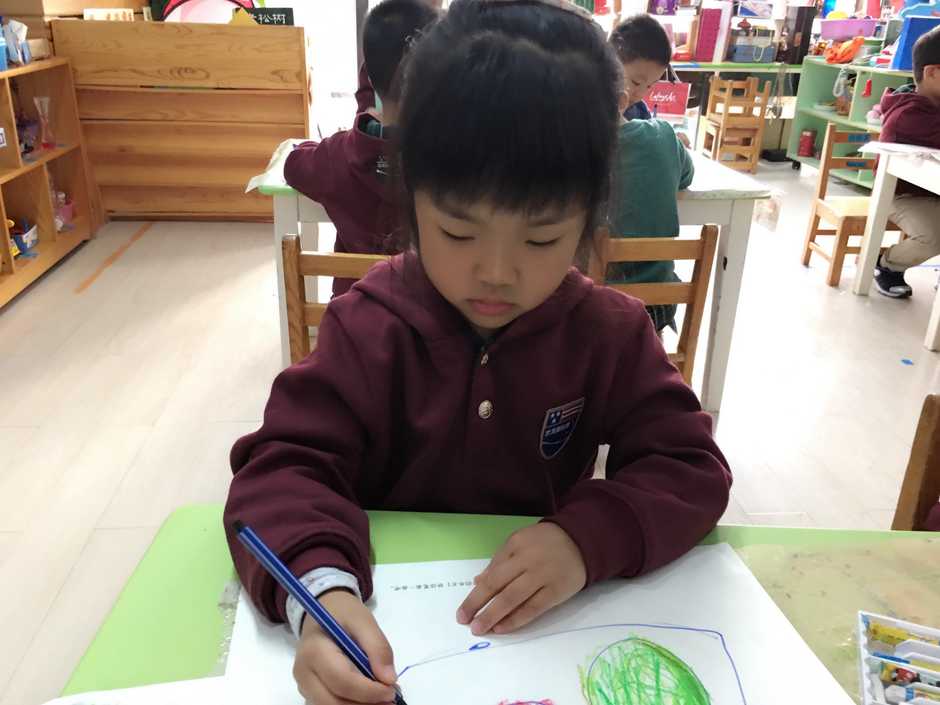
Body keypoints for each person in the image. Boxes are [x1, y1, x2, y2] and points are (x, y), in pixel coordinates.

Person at [225, 3, 731, 704]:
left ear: (589, 222)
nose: (496, 272)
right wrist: (321, 596)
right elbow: (283, 471)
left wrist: (588, 539)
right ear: (412, 201)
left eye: (541, 239)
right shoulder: (368, 325)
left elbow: (690, 466)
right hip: (394, 635)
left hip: (540, 646)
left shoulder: (608, 331)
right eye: (458, 233)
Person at [284, 0, 438, 297]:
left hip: (354, 312)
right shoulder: (455, 159)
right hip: (430, 316)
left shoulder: (339, 154)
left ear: (369, 76)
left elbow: (293, 164)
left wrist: (317, 145)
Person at [607, 15, 695, 333]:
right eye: (635, 82)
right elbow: (686, 176)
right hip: (658, 308)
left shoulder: (581, 143)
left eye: (650, 85)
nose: (641, 93)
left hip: (600, 305)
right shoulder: (663, 134)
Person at [872, 25, 940, 299]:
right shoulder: (910, 114)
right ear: (932, 72)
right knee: (935, 236)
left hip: (932, 191)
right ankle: (888, 264)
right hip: (899, 194)